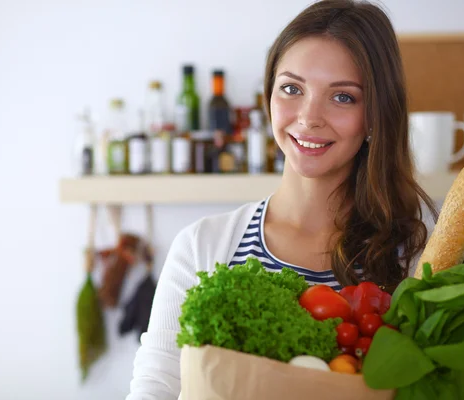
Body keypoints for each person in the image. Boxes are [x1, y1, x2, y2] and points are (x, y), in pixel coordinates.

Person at [126, 0, 439, 398]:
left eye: (343, 97)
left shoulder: (419, 250)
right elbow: (157, 386)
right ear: (268, 96)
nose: (309, 117)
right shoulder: (202, 246)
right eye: (292, 88)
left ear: (376, 114)